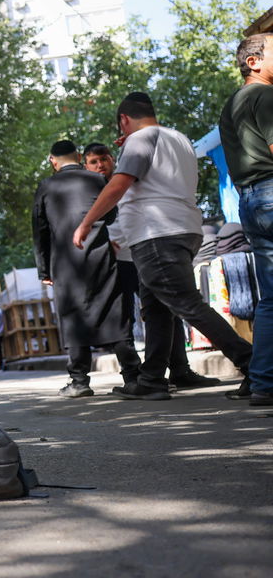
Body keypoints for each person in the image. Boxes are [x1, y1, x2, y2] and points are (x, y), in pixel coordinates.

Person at [74, 94, 253, 395]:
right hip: (182, 229)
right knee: (156, 309)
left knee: (188, 305)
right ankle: (152, 379)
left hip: (157, 233)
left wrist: (86, 222)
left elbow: (119, 184)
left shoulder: (140, 140)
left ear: (124, 120)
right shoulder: (178, 139)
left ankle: (256, 367)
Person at [84, 140, 221, 392]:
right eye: (94, 161)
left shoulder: (129, 177)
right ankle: (136, 378)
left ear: (113, 159)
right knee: (123, 321)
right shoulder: (86, 190)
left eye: (104, 159)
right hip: (116, 264)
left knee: (168, 311)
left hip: (146, 253)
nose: (101, 165)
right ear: (86, 165)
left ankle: (180, 370)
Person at [34, 139, 146, 398]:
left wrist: (44, 271)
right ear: (78, 157)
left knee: (73, 318)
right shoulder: (96, 180)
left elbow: (40, 231)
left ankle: (79, 382)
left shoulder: (46, 186)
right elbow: (109, 216)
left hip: (64, 262)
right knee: (115, 314)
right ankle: (132, 376)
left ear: (53, 161)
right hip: (100, 256)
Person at [219, 32, 273, 406]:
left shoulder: (232, 104)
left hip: (250, 200)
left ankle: (264, 383)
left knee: (270, 298)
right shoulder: (265, 96)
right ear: (253, 61)